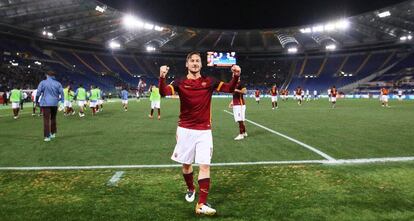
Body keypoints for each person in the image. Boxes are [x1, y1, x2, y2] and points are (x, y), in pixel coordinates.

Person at [159, 52, 240, 215]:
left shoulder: (209, 81)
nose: (195, 63)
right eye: (192, 61)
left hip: (204, 130)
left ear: (201, 65)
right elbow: (164, 92)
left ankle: (201, 204)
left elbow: (230, 88)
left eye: (198, 61)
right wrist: (162, 77)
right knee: (186, 164)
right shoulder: (180, 82)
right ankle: (190, 188)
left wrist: (235, 76)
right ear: (187, 64)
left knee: (204, 165)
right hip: (185, 129)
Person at [35, 71, 64, 142]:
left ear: (47, 75)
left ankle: (47, 136)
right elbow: (62, 93)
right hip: (54, 103)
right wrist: (62, 102)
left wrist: (36, 101)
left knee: (46, 120)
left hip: (45, 103)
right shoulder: (58, 83)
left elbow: (38, 92)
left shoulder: (43, 82)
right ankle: (53, 133)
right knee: (53, 118)